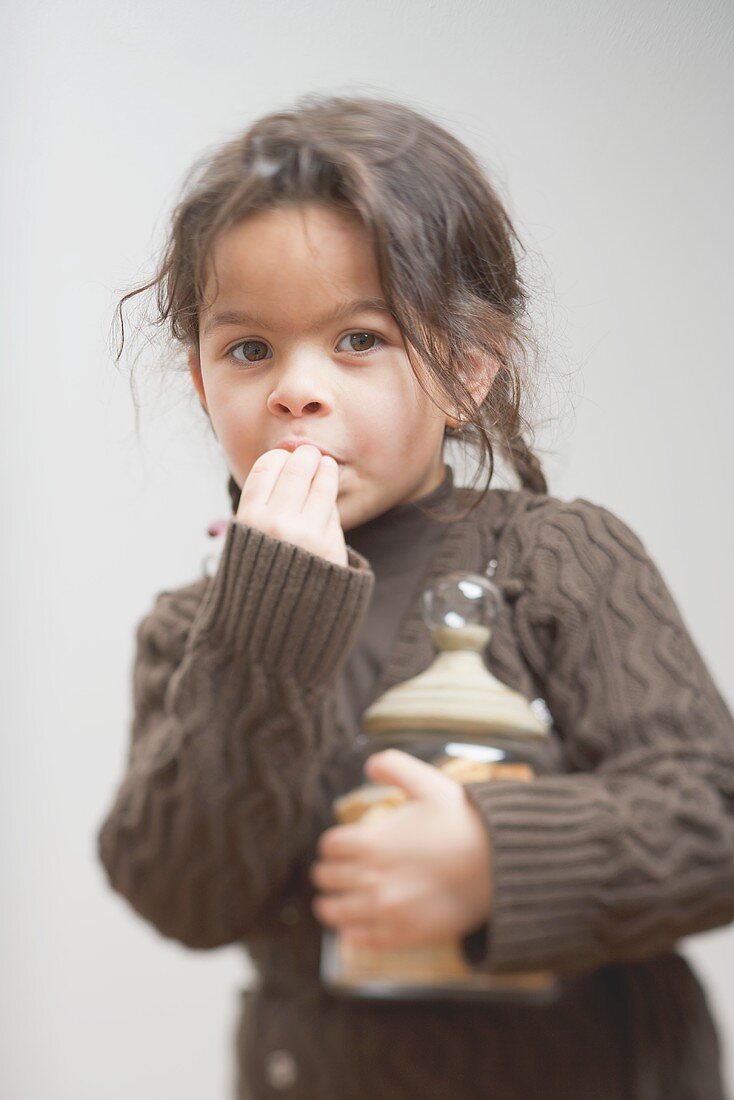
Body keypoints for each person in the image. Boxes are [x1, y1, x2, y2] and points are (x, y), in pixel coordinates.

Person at [96, 93, 734, 1099]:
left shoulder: (557, 558)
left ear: (465, 367)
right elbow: (185, 893)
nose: (295, 390)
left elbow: (712, 818)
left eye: (359, 338)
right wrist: (263, 631)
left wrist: (495, 862)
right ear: (200, 380)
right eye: (248, 348)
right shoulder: (194, 627)